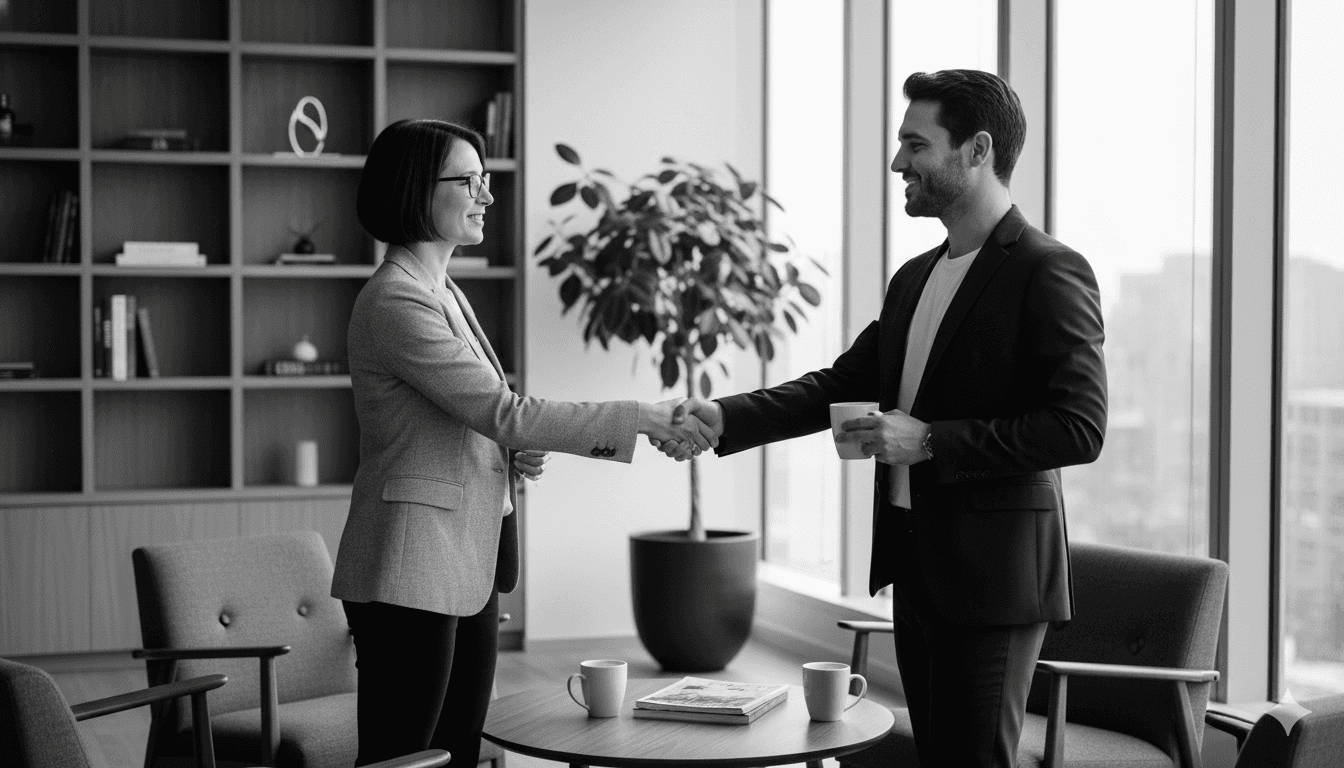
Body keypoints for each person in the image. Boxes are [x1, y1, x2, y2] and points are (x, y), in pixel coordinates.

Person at [656, 70, 1107, 767]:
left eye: (915, 145)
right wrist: (722, 416)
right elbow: (838, 384)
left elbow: (1080, 425)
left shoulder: (1049, 270)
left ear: (978, 149)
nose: (899, 163)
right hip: (918, 567)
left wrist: (928, 440)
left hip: (993, 584)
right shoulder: (915, 278)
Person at [331, 119, 715, 766]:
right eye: (469, 181)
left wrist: (503, 453)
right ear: (416, 189)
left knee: (454, 752)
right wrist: (645, 417)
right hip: (409, 567)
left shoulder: (442, 290)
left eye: (487, 180)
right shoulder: (396, 300)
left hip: (464, 562)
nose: (485, 195)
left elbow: (465, 422)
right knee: (403, 757)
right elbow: (503, 410)